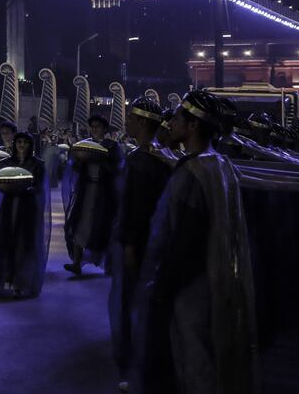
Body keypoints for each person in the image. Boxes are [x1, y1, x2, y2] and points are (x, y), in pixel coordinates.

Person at [131, 91, 258, 394]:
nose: (170, 123)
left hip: (192, 286)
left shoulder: (193, 172)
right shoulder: (220, 164)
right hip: (218, 279)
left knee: (194, 359)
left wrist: (164, 286)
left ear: (193, 126)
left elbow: (185, 240)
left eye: (177, 118)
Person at [108, 96, 174, 388]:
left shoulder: (141, 159)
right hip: (153, 239)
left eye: (132, 118)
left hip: (138, 242)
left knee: (131, 303)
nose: (127, 122)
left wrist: (131, 245)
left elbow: (135, 207)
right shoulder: (162, 156)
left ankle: (136, 367)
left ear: (144, 122)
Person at [0, 131, 50, 299]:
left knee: (24, 243)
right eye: (19, 141)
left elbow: (40, 188)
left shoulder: (37, 164)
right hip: (8, 205)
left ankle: (22, 282)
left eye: (25, 142)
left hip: (27, 207)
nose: (21, 145)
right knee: (6, 241)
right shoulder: (6, 162)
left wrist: (28, 189)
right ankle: (6, 278)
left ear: (30, 145)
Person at [63, 113, 122, 275]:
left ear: (104, 129)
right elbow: (75, 166)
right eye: (93, 127)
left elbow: (117, 168)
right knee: (79, 223)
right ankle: (76, 262)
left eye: (98, 127)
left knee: (105, 227)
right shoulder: (85, 145)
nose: (95, 129)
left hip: (104, 193)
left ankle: (109, 264)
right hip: (86, 190)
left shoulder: (112, 146)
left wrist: (101, 159)